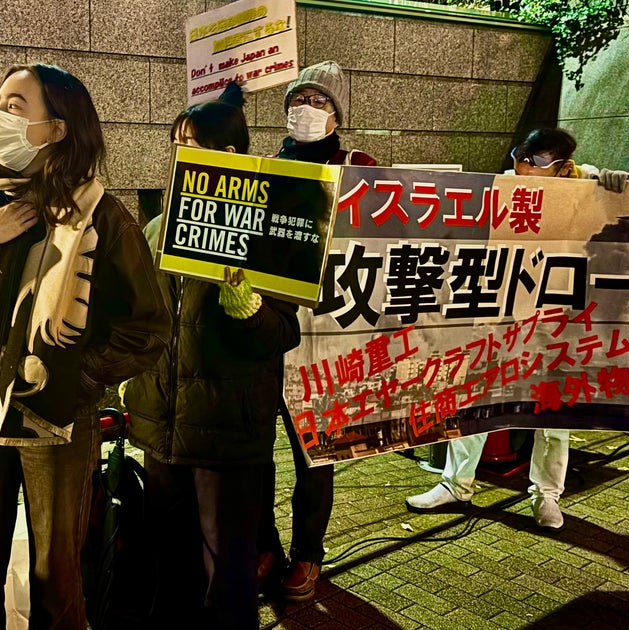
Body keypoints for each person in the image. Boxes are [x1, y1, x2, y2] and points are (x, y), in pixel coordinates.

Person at [0, 63, 170, 630]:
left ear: (57, 129)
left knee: (56, 575)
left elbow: (148, 328)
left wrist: (75, 380)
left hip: (54, 420)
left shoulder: (104, 216)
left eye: (15, 105)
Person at [125, 82, 301, 630]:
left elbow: (282, 334)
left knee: (226, 574)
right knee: (171, 565)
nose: (181, 154)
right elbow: (143, 320)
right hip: (162, 425)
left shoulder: (268, 227)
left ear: (230, 156)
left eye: (193, 143)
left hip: (227, 433)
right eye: (177, 143)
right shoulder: (158, 226)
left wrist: (248, 308)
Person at [405, 128, 629, 530]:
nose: (524, 167)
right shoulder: (507, 187)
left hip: (558, 317)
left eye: (537, 161)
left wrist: (614, 185)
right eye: (520, 157)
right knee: (475, 400)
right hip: (501, 313)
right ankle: (456, 483)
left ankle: (547, 495)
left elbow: (622, 204)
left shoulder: (584, 186)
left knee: (553, 413)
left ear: (563, 167)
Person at [256, 60, 376, 603]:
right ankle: (264, 547)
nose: (306, 109)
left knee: (315, 452)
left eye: (319, 101)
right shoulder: (264, 167)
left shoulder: (362, 168)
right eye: (298, 100)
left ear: (337, 114)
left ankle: (308, 555)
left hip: (326, 334)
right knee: (256, 449)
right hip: (266, 328)